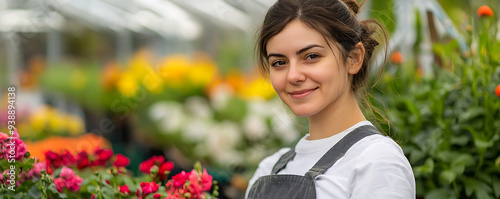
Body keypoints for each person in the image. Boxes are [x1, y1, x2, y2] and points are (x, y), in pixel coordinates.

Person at [245, 0, 416, 198]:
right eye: (279, 62)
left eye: (311, 56)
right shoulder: (269, 168)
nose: (293, 76)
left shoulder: (375, 162)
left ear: (353, 58)